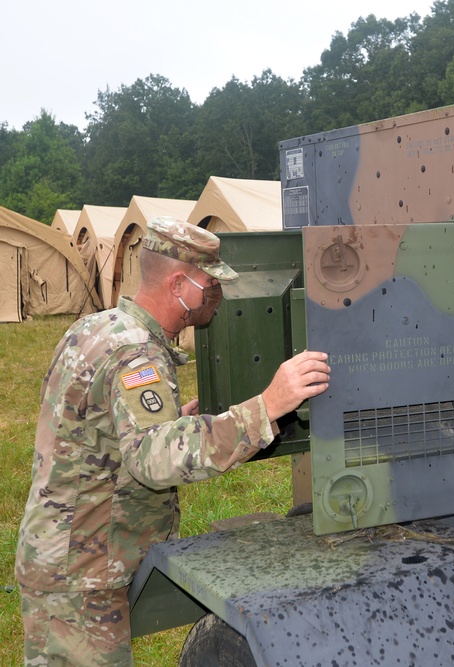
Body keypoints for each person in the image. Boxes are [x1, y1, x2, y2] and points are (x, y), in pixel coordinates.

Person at [15, 216, 331, 667]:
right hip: (80, 573)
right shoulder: (135, 352)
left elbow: (96, 432)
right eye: (211, 285)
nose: (218, 297)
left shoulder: (97, 328)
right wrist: (268, 404)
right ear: (180, 285)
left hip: (66, 554)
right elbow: (153, 458)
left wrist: (174, 422)